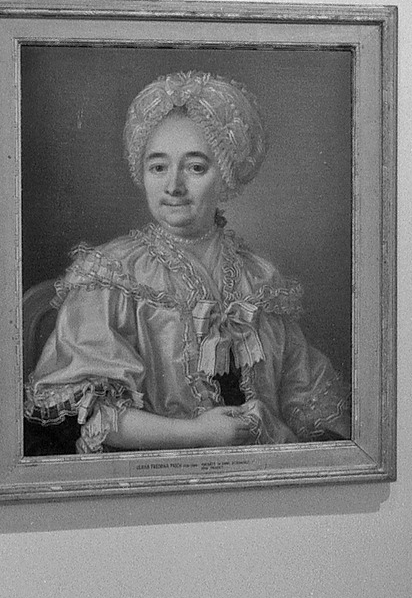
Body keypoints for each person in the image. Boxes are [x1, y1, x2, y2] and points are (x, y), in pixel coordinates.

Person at [24, 71, 350, 452]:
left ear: (226, 177)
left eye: (195, 167)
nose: (173, 186)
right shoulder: (112, 275)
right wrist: (198, 434)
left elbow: (310, 402)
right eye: (158, 167)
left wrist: (283, 435)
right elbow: (95, 418)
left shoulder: (259, 280)